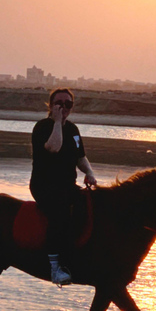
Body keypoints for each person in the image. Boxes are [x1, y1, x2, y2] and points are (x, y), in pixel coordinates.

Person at [30, 88, 97, 285]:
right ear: (51, 105)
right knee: (59, 212)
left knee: (91, 205)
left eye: (68, 104)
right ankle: (55, 267)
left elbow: (80, 157)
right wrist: (57, 122)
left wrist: (89, 173)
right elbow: (54, 147)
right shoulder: (43, 127)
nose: (64, 107)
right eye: (59, 103)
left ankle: (79, 255)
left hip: (68, 185)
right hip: (44, 186)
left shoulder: (73, 130)